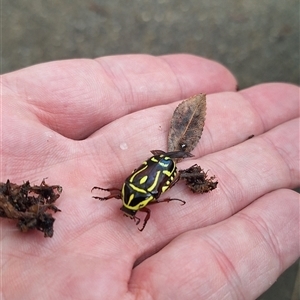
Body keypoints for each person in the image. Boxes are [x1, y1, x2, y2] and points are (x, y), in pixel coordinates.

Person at [1, 54, 299, 299]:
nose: (129, 212)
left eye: (129, 210)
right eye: (132, 212)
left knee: (156, 183)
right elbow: (139, 195)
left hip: (162, 167)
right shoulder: (134, 195)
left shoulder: (133, 195)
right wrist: (129, 195)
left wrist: (122, 194)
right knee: (157, 185)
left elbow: (132, 193)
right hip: (161, 168)